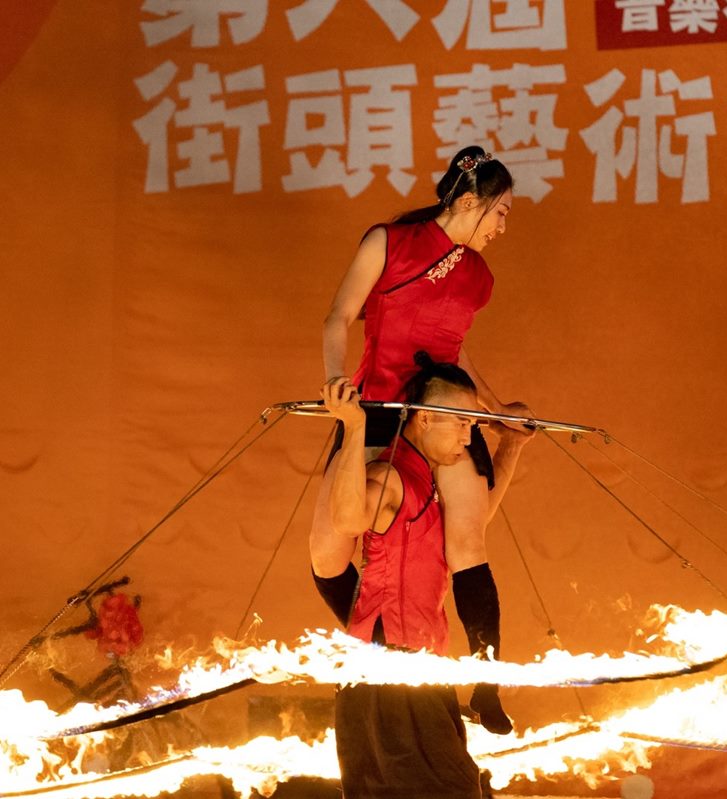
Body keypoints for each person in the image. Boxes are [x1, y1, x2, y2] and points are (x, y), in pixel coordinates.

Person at [310, 145, 525, 734]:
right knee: (327, 557)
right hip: (377, 407)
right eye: (500, 212)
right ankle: (377, 649)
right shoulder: (389, 242)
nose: (504, 226)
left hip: (446, 412)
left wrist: (493, 409)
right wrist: (335, 382)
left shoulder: (479, 276)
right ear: (469, 200)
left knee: (468, 547)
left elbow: (454, 349)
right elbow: (338, 316)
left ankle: (485, 685)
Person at [318, 358, 532, 799]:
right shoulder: (391, 474)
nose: (467, 437)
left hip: (418, 672)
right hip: (389, 677)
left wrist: (511, 447)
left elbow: (479, 519)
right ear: (426, 417)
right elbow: (346, 518)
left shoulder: (427, 482)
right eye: (461, 423)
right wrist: (355, 427)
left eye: (473, 425)